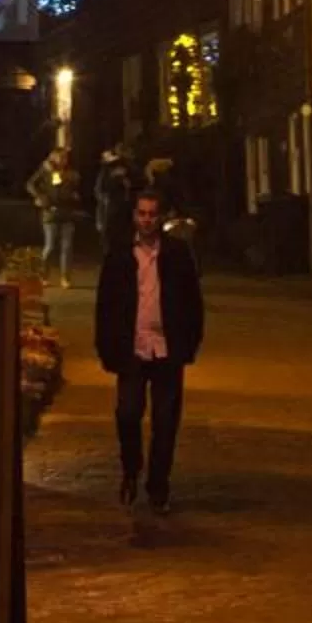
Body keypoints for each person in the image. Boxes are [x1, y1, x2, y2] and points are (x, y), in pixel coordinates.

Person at [94, 185, 203, 513]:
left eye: (152, 214)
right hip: (132, 347)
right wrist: (107, 348)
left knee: (166, 421)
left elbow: (192, 301)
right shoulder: (119, 255)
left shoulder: (177, 253)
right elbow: (106, 304)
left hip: (167, 348)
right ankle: (131, 468)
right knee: (127, 414)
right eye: (141, 213)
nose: (147, 220)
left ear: (161, 217)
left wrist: (190, 342)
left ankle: (158, 485)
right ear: (133, 216)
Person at [27, 143, 83, 287]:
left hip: (67, 213)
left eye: (65, 157)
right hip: (50, 213)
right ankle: (44, 275)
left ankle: (65, 277)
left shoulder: (71, 173)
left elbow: (76, 186)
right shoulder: (45, 170)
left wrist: (73, 194)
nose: (63, 160)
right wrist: (40, 197)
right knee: (50, 246)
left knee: (67, 247)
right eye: (60, 157)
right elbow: (30, 184)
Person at [93, 144, 134, 254]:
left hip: (124, 208)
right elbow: (101, 188)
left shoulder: (129, 168)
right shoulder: (109, 169)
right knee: (110, 236)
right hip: (111, 208)